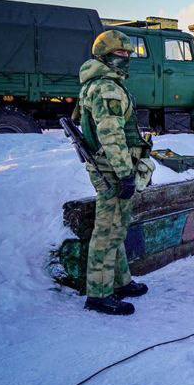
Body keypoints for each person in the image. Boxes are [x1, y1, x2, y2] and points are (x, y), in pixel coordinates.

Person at [77, 30, 153, 316]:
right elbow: (111, 135)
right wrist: (125, 174)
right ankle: (98, 294)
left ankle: (120, 282)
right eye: (120, 54)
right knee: (107, 231)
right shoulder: (107, 88)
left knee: (117, 227)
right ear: (104, 57)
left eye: (127, 54)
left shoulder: (99, 84)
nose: (125, 59)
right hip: (112, 169)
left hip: (110, 167)